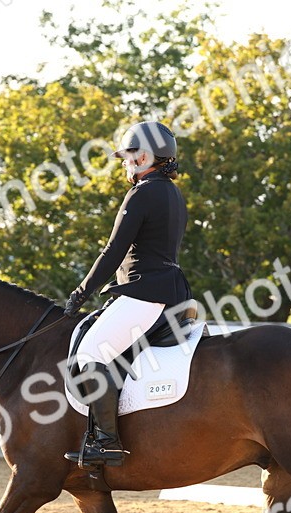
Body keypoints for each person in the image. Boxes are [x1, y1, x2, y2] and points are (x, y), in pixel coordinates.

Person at [63, 120, 192, 469]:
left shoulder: (143, 192)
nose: (124, 163)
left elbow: (113, 250)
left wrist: (80, 293)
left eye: (128, 156)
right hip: (171, 291)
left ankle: (107, 442)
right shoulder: (172, 193)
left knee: (91, 353)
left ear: (145, 156)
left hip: (144, 294)